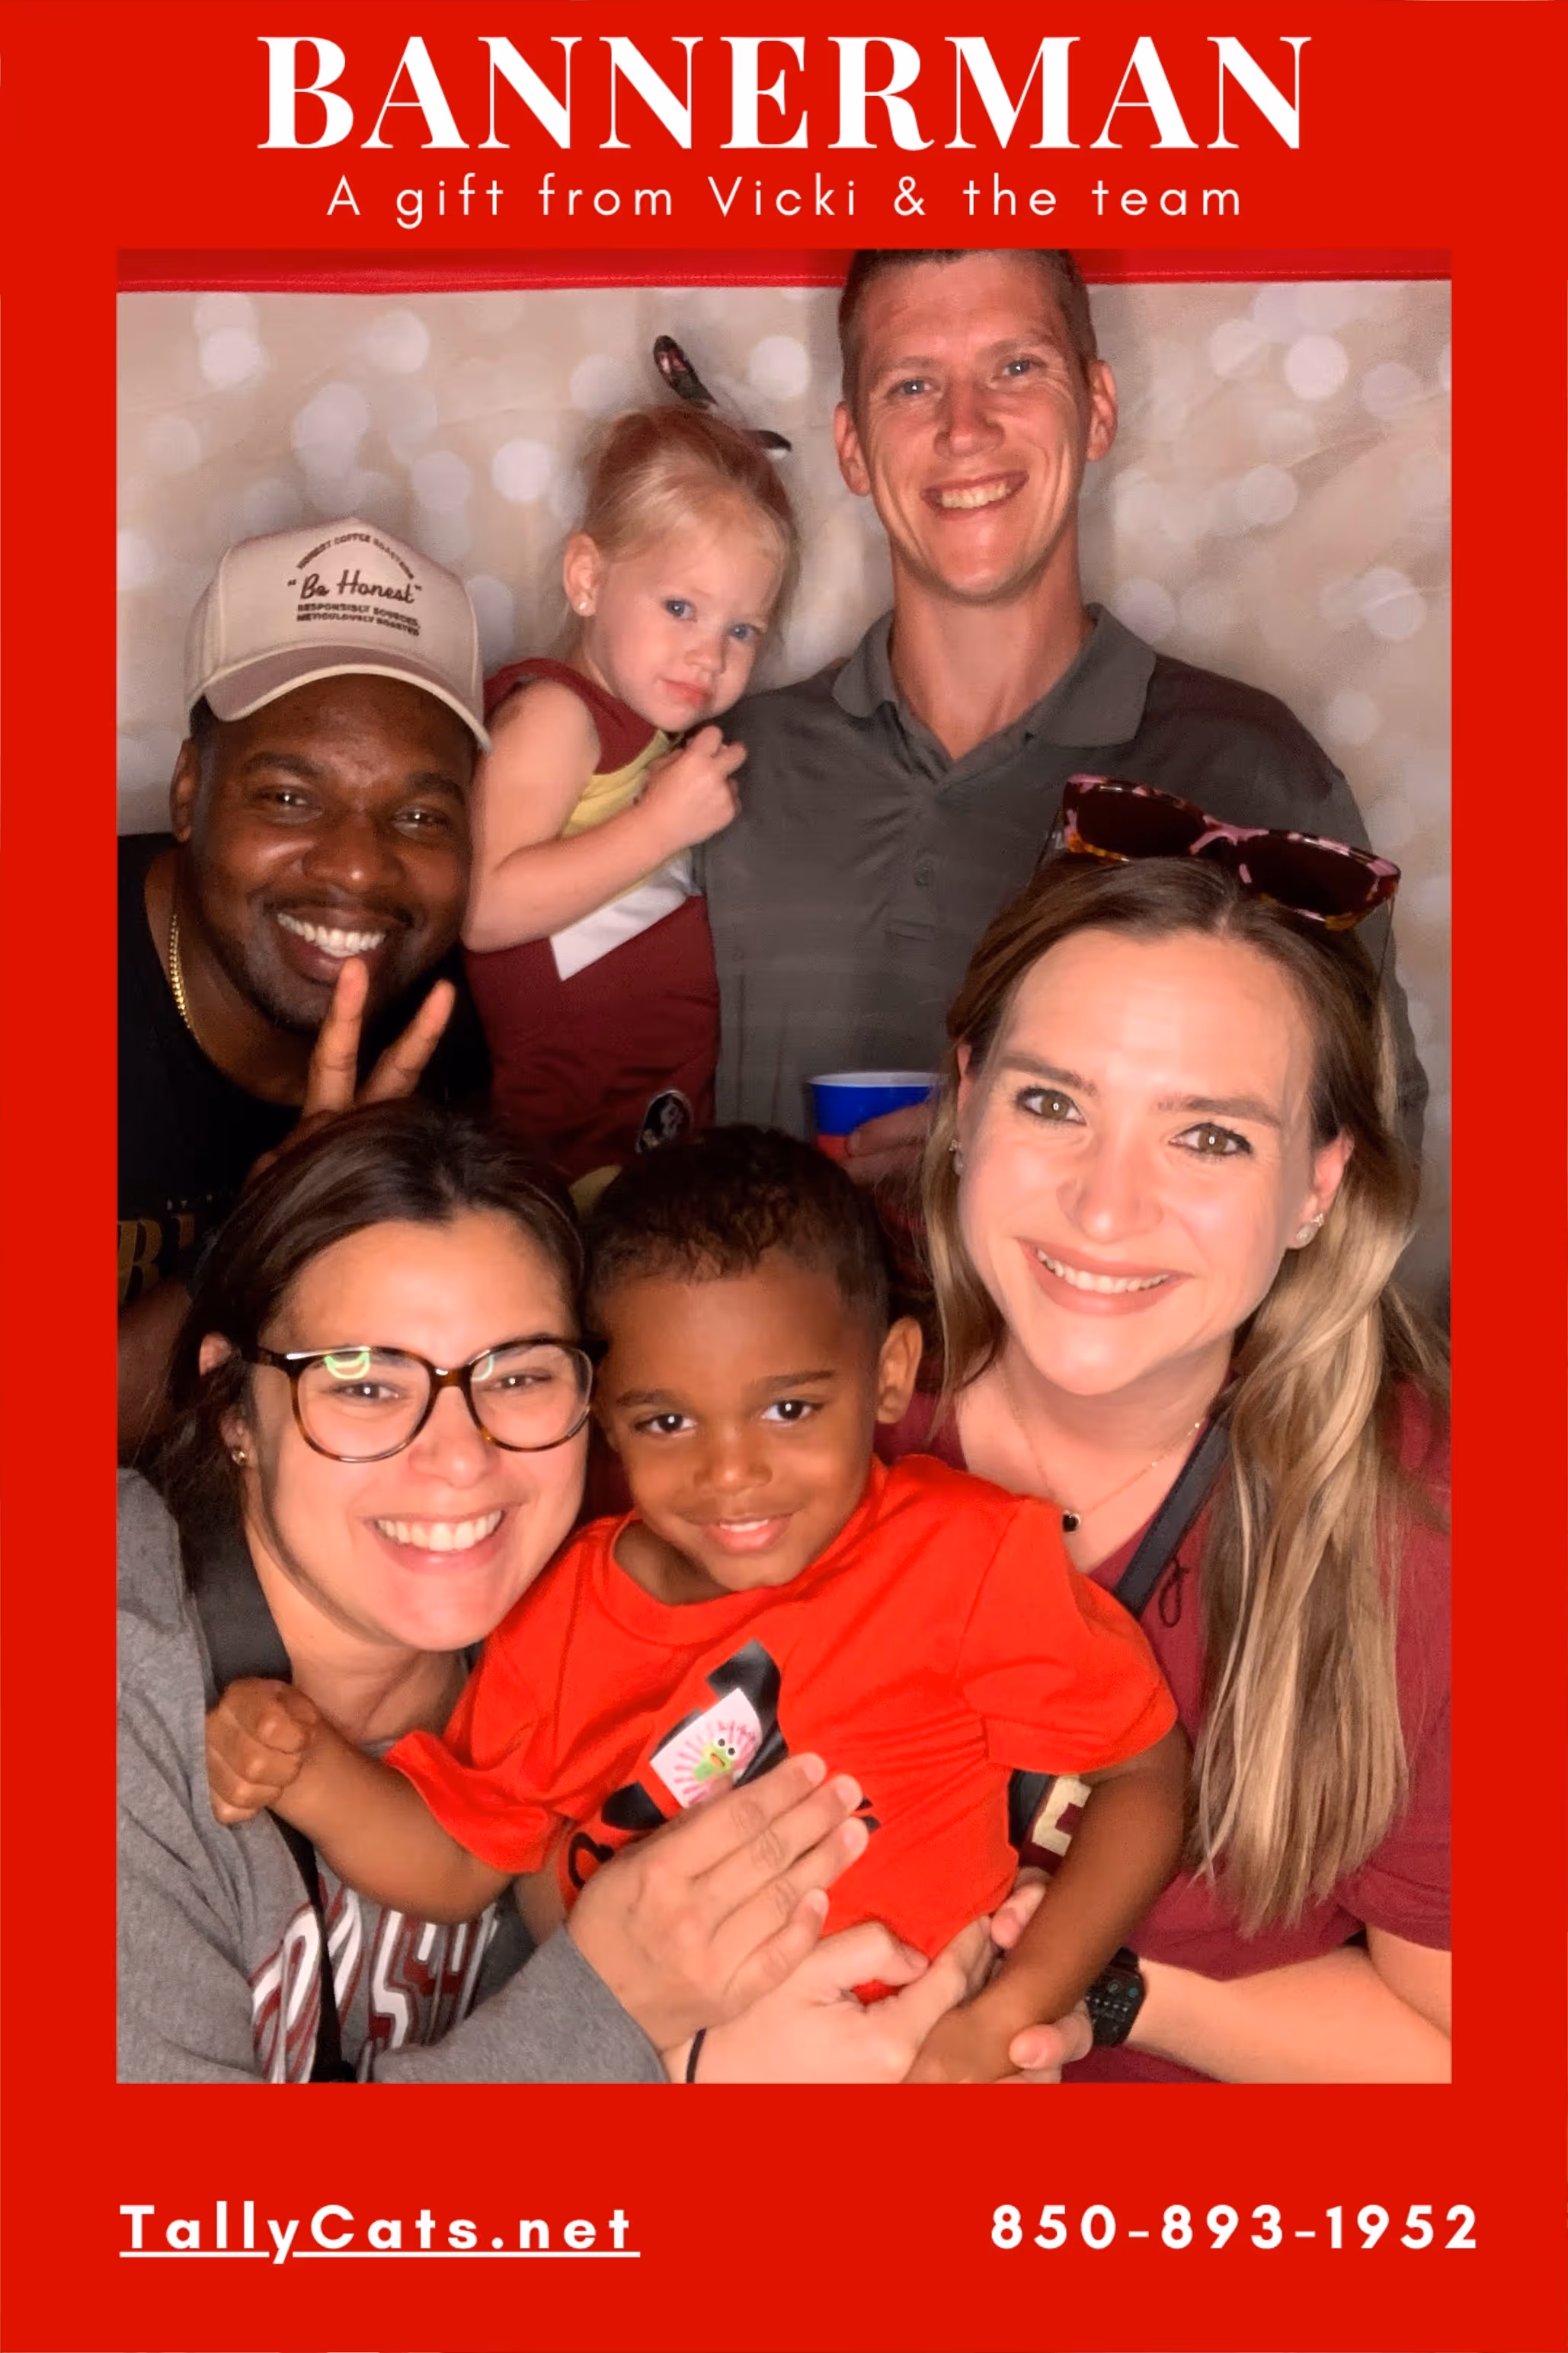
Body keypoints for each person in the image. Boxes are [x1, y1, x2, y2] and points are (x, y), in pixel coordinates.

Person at [204, 1126, 1187, 2084]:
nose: (730, 1472)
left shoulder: (959, 1556)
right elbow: (465, 1866)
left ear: (888, 1375)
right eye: (668, 1420)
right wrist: (308, 1771)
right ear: (604, 1415)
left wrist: (1011, 2018)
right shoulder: (557, 1617)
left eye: (789, 1409)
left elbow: (1144, 1773)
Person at [883, 810, 1450, 2082]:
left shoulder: (1420, 1529)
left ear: (1316, 1184)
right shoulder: (795, 1382)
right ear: (965, 1101)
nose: (1103, 1204)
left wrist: (1104, 1988)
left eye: (1207, 1135)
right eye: (1050, 1102)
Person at [702, 247, 1425, 1169]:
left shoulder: (1252, 773)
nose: (966, 427)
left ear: (1099, 409)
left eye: (1016, 368)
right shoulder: (726, 766)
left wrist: (1024, 1159)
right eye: (913, 385)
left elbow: (1366, 1150)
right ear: (851, 447)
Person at [118, 516, 492, 1452]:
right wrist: (277, 1226)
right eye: (290, 798)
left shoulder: (442, 1027)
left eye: (419, 814)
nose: (361, 870)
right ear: (188, 792)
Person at [463, 406, 797, 1199]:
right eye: (680, 608)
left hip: (644, 1123)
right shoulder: (558, 715)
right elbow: (484, 907)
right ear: (588, 579)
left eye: (743, 629)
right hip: (570, 1132)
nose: (709, 653)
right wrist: (658, 826)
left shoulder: (645, 733)